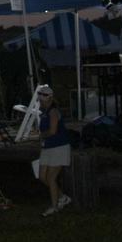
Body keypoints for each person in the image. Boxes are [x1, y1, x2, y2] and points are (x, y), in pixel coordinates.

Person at [35, 84, 71, 215]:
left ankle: (54, 207)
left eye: (42, 101)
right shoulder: (44, 112)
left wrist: (40, 135)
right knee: (42, 177)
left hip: (59, 147)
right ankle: (62, 197)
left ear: (48, 99)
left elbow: (53, 131)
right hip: (47, 147)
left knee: (51, 178)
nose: (40, 103)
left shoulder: (53, 112)